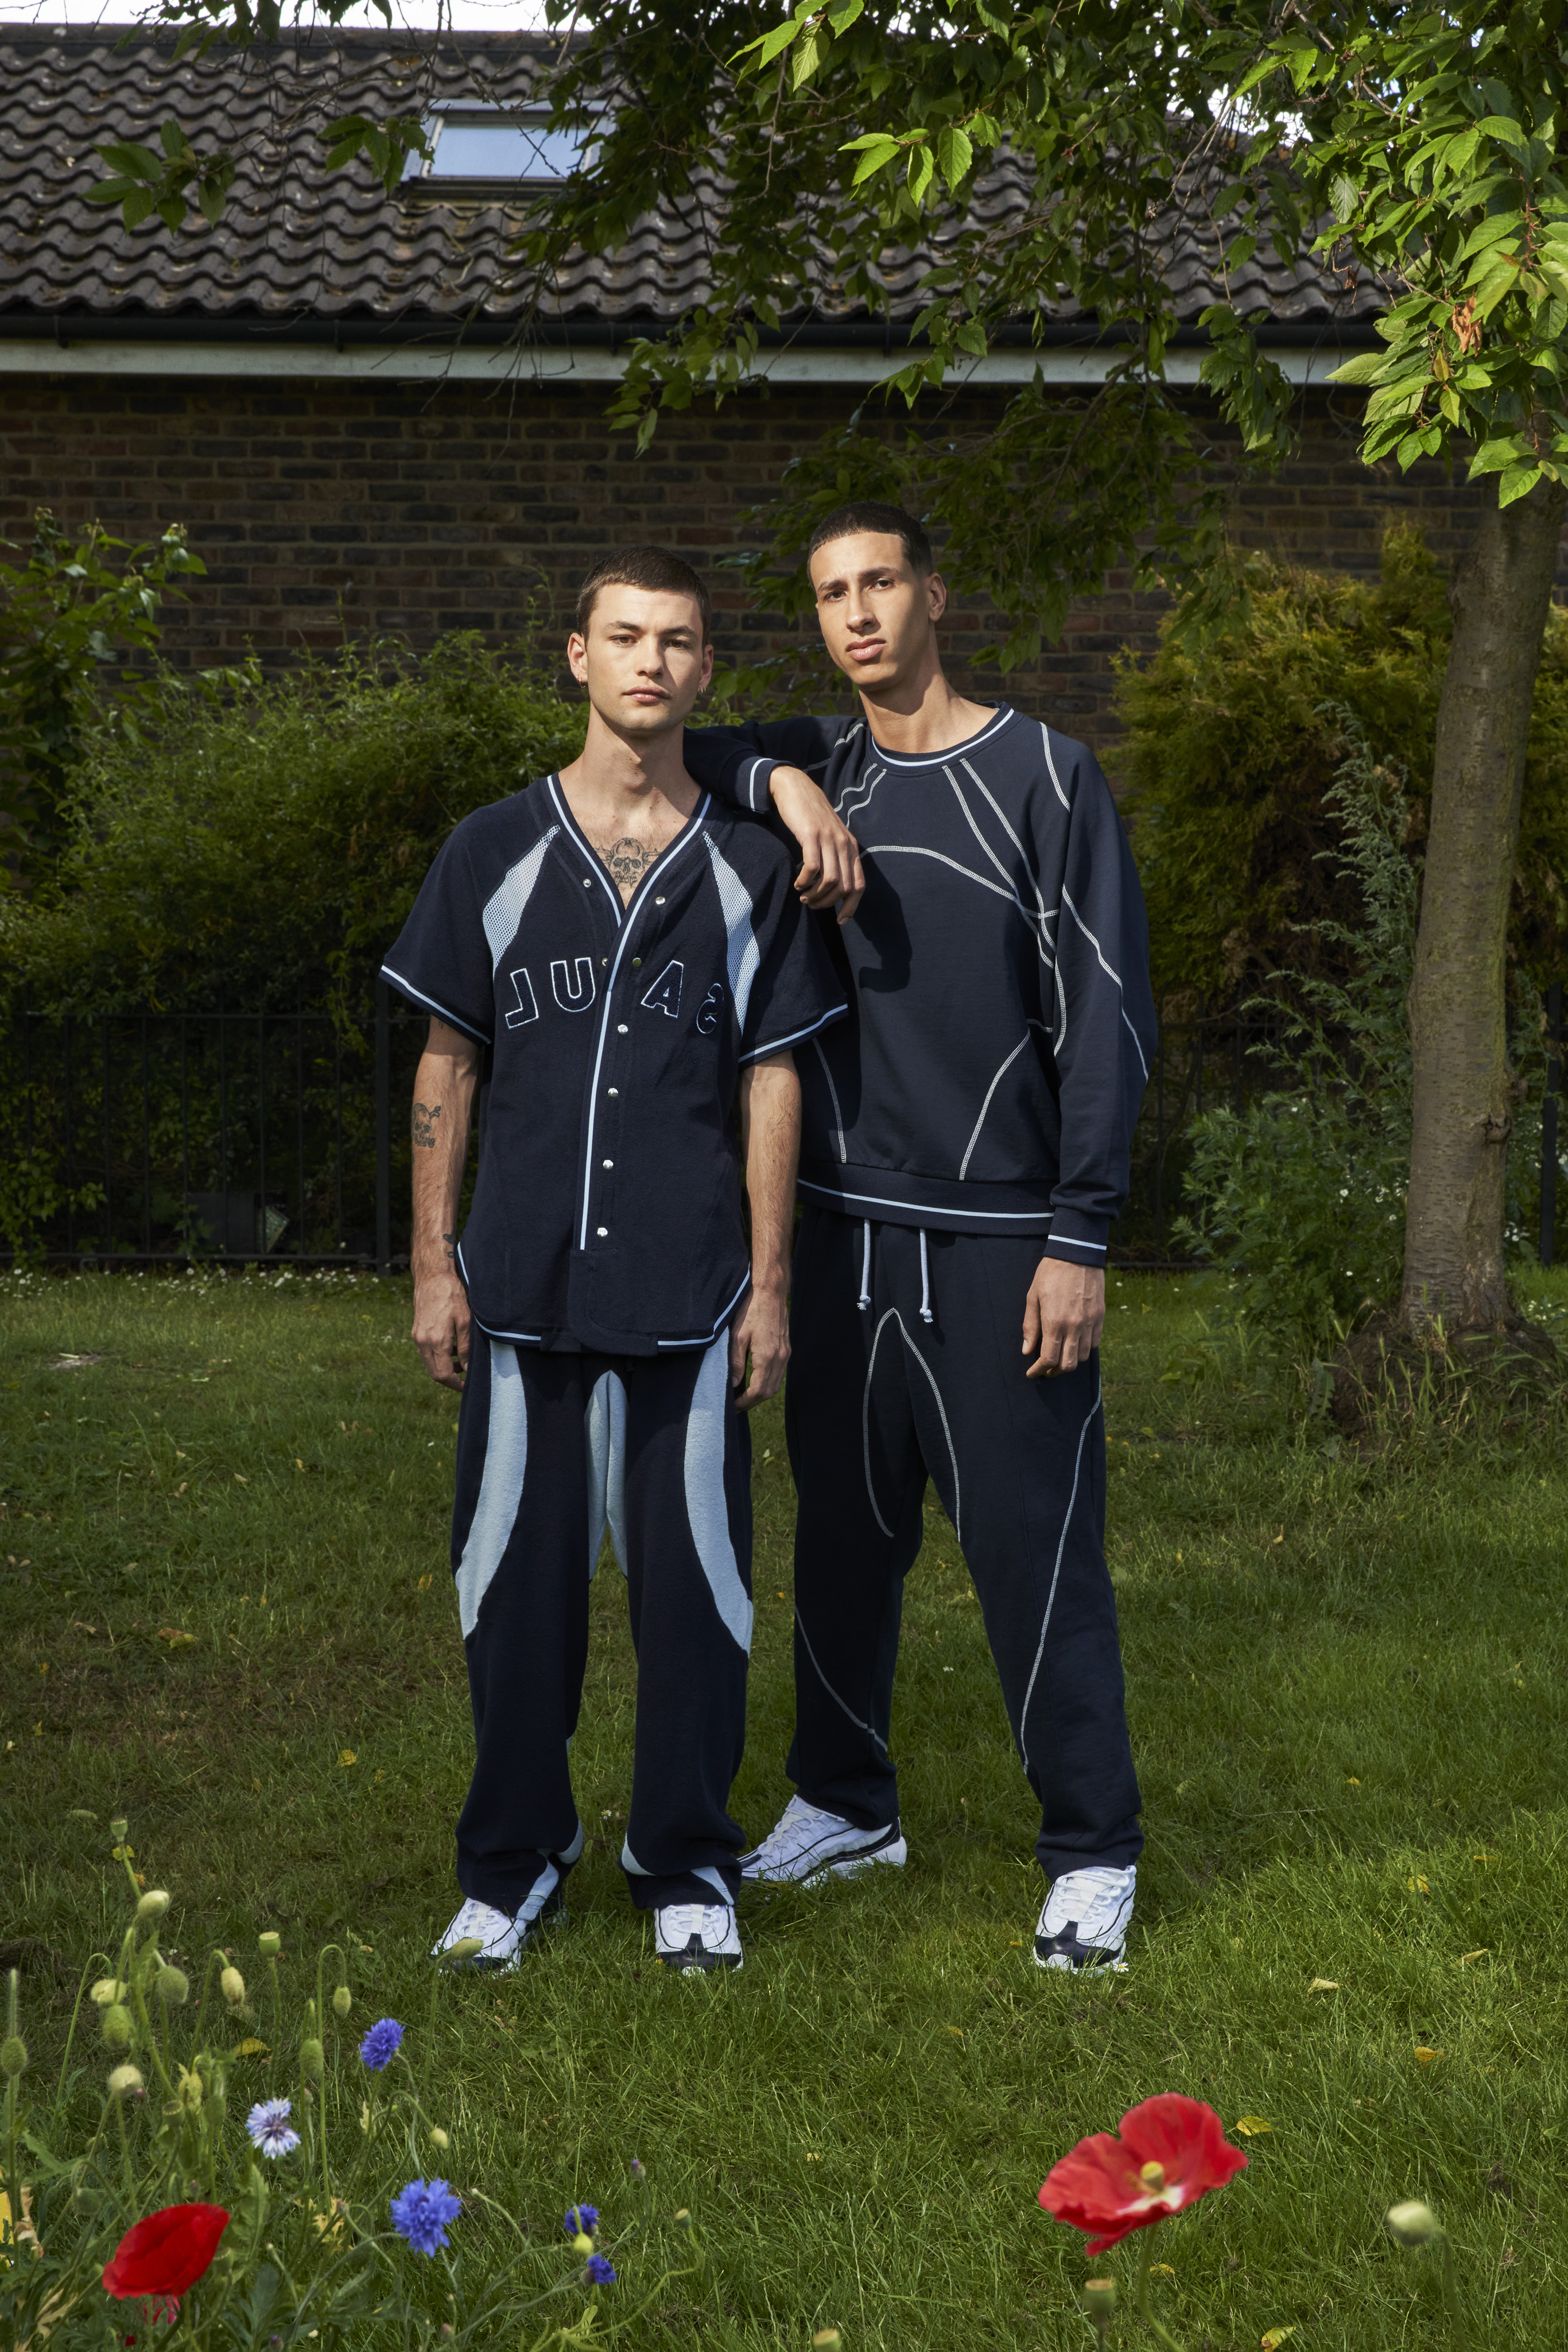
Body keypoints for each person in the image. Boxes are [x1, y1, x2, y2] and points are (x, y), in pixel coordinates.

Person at [681, 500, 1155, 1971]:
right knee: (843, 1540)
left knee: (1033, 1553)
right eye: (830, 595)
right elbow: (684, 746)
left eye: (880, 582)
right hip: (837, 1235)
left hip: (1004, 1238)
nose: (858, 614)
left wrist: (1080, 1233)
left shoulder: (1043, 776)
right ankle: (844, 1802)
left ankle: (1092, 1850)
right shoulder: (813, 769)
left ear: (934, 594)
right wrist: (781, 777)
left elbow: (1110, 1024)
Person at [381, 546, 845, 1976]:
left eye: (680, 641)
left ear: (707, 674)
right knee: (511, 1597)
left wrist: (769, 1288)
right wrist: (431, 1268)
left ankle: (685, 1860)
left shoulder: (748, 864)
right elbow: (446, 1059)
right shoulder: (492, 852)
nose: (651, 660)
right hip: (521, 1294)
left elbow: (775, 1081)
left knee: (699, 1596)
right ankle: (510, 1867)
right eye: (625, 635)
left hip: (692, 1291)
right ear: (575, 656)